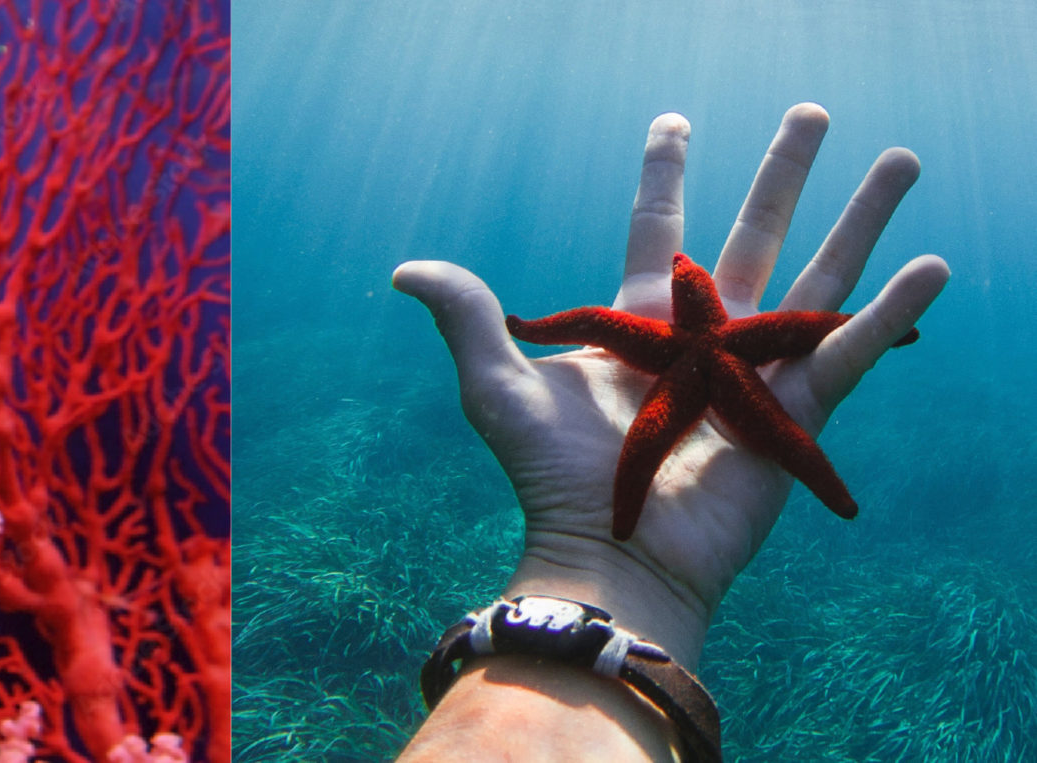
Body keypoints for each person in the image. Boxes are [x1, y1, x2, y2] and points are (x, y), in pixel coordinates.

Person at [391, 103, 950, 761]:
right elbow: (604, 325)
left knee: (757, 433)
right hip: (655, 604)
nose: (686, 275)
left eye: (685, 277)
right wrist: (617, 557)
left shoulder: (699, 342)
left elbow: (609, 323)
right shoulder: (716, 345)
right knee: (771, 439)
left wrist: (539, 333)